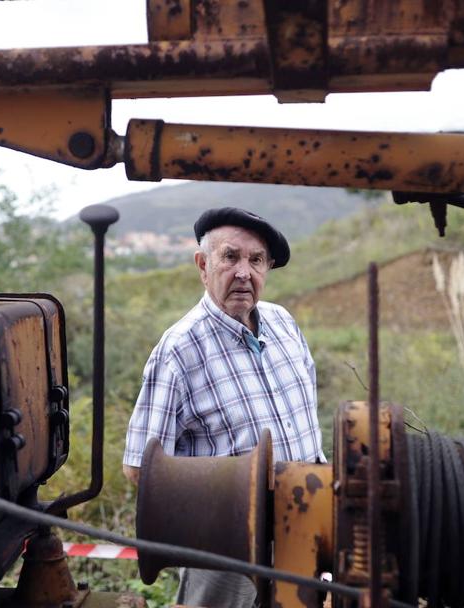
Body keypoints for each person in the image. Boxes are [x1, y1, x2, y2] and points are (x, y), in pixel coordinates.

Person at [122, 207, 325, 608]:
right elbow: (140, 469)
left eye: (256, 260)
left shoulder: (284, 323)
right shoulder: (179, 351)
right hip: (224, 554)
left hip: (306, 529)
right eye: (230, 257)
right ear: (203, 264)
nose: (244, 272)